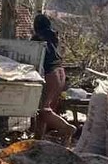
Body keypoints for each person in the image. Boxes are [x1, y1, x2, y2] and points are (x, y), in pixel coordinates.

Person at [31, 13, 75, 145]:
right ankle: (37, 141)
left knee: (42, 110)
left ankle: (67, 128)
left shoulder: (37, 38)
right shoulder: (54, 36)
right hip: (60, 73)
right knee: (47, 110)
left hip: (51, 75)